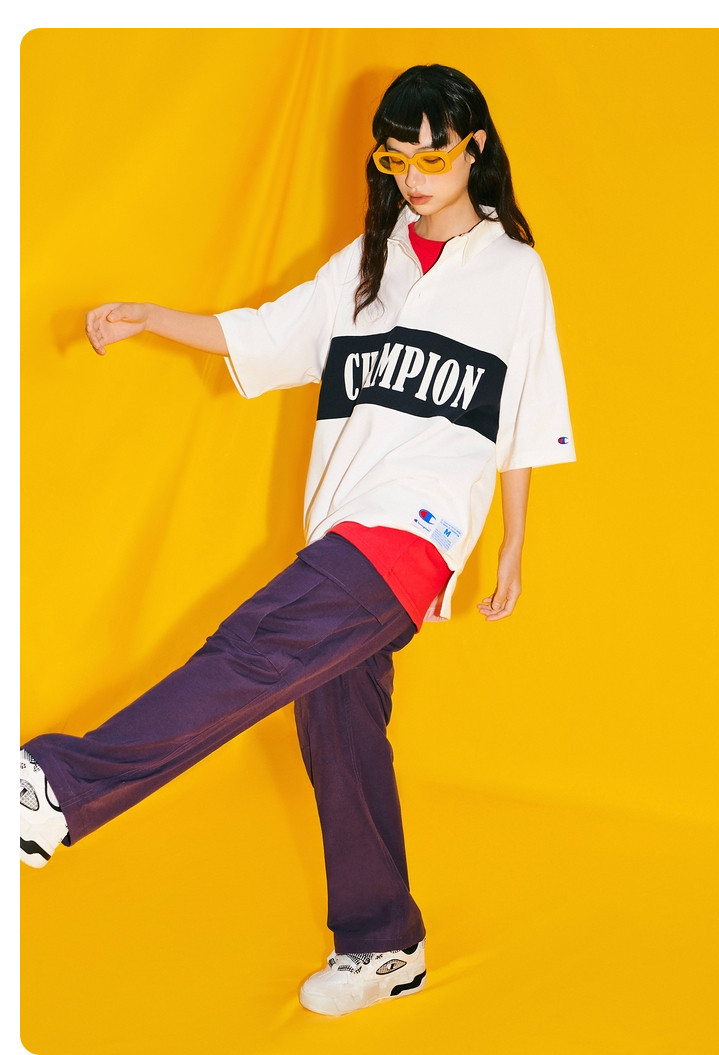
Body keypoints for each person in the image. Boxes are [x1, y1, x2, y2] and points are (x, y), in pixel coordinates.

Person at [20, 64, 575, 1016]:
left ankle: (55, 788)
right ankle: (385, 941)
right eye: (396, 160)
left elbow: (525, 413)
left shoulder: (513, 274)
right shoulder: (368, 262)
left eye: (433, 157)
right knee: (338, 725)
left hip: (418, 530)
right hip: (345, 523)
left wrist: (514, 544)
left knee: (252, 650)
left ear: (475, 148)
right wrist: (152, 318)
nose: (414, 178)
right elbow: (266, 333)